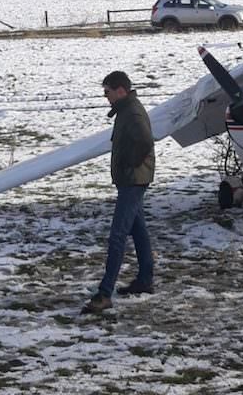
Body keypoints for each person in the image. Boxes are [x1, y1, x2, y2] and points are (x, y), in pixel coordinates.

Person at [83, 70, 156, 314]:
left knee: (117, 236)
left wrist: (129, 166)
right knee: (138, 231)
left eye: (108, 92)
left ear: (121, 90)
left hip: (133, 181)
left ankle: (105, 293)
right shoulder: (127, 110)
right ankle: (145, 280)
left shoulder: (133, 112)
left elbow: (145, 142)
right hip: (131, 179)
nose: (106, 97)